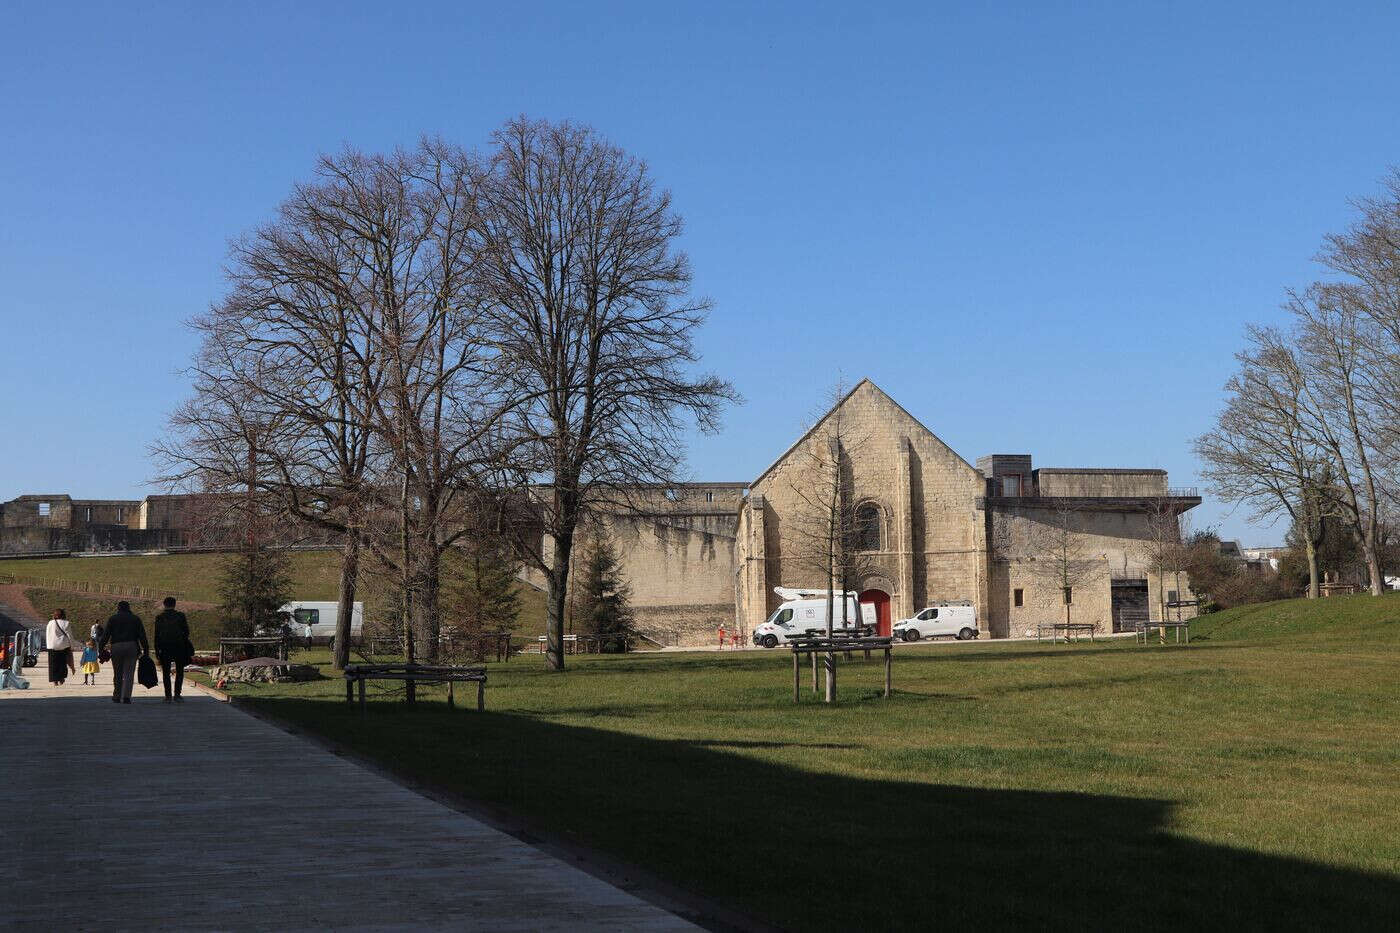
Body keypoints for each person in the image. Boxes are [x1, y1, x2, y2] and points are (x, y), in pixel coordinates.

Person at [98, 601, 148, 704]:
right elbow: (142, 635)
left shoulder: (113, 619)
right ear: (129, 608)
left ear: (118, 608)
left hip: (116, 646)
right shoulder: (135, 619)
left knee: (118, 672)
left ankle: (117, 696)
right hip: (131, 645)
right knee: (129, 673)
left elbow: (106, 635)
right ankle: (126, 697)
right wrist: (146, 649)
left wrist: (101, 648)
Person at [153, 596, 191, 703]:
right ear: (174, 604)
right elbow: (187, 632)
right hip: (179, 647)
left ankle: (168, 696)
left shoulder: (160, 617)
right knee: (179, 671)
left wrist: (156, 650)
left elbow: (156, 635)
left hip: (165, 647)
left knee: (166, 672)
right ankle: (177, 694)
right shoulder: (180, 616)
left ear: (164, 605)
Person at [45, 609, 77, 686]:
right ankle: (61, 678)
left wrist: (48, 645)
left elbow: (48, 634)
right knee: (62, 663)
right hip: (63, 645)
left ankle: (54, 680)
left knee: (53, 664)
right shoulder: (66, 623)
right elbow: (70, 636)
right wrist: (72, 646)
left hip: (52, 645)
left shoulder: (50, 623)